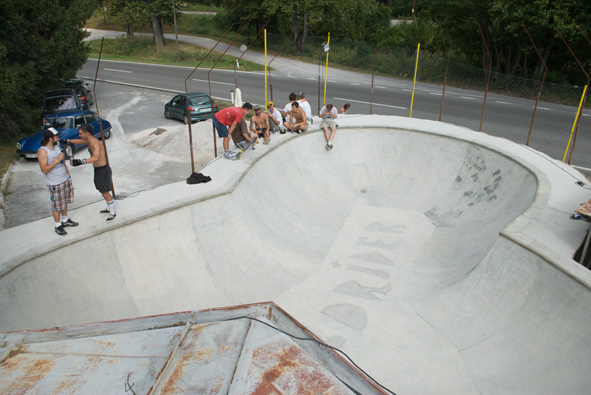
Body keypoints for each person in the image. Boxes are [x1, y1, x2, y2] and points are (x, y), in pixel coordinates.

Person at [62, 124, 116, 222]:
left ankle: (112, 212)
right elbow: (80, 141)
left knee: (105, 192)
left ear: (87, 133)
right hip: (98, 170)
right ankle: (109, 207)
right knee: (101, 190)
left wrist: (80, 161)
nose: (79, 135)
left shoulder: (95, 143)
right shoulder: (89, 141)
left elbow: (96, 158)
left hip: (103, 170)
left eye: (81, 133)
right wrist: (68, 141)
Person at [38, 127, 78, 235]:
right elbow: (44, 169)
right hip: (54, 182)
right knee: (56, 204)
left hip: (64, 178)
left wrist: (68, 175)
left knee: (64, 201)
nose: (58, 138)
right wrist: (56, 160)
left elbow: (62, 162)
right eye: (56, 136)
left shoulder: (56, 146)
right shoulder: (42, 151)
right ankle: (57, 225)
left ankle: (65, 219)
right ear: (50, 138)